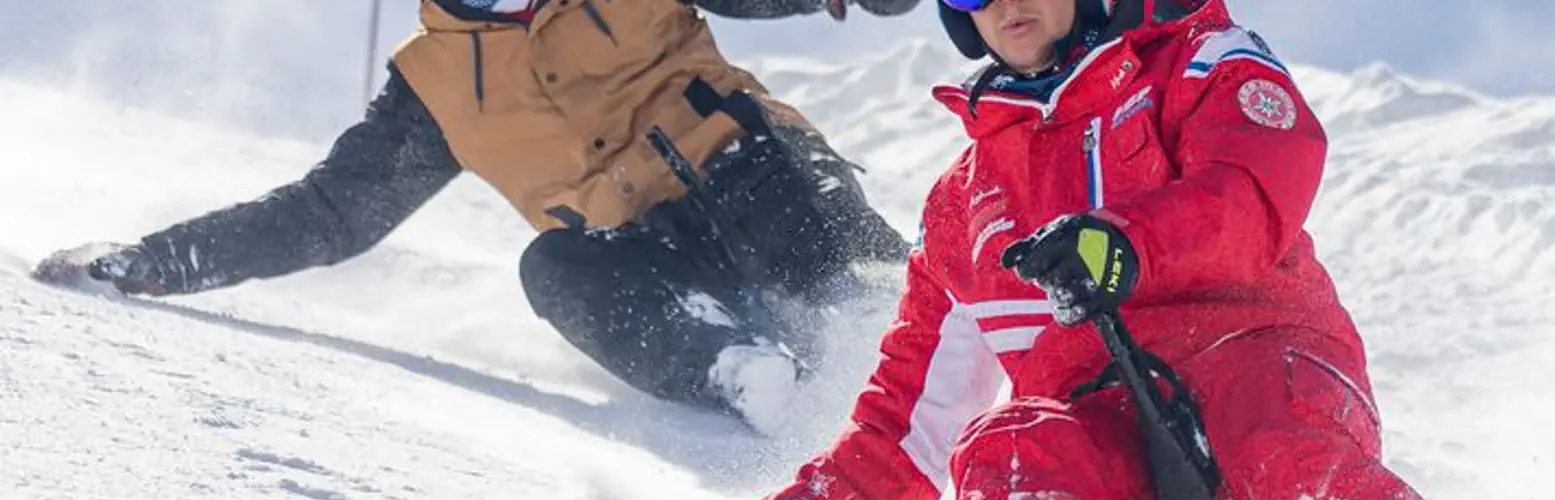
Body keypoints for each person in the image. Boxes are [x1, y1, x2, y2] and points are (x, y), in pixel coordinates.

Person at [29, 0, 916, 434]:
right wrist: (154, 261)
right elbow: (331, 213)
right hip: (658, 268)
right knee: (554, 264)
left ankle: (890, 314)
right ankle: (747, 374)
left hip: (769, 191)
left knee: (766, 171)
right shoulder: (433, 86)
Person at [769, 0, 1426, 497]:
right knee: (1016, 450)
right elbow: (903, 427)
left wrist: (1131, 242)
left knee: (1273, 452)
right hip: (1096, 417)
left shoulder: (1194, 59)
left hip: (1253, 357)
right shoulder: (966, 204)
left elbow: (1253, 188)